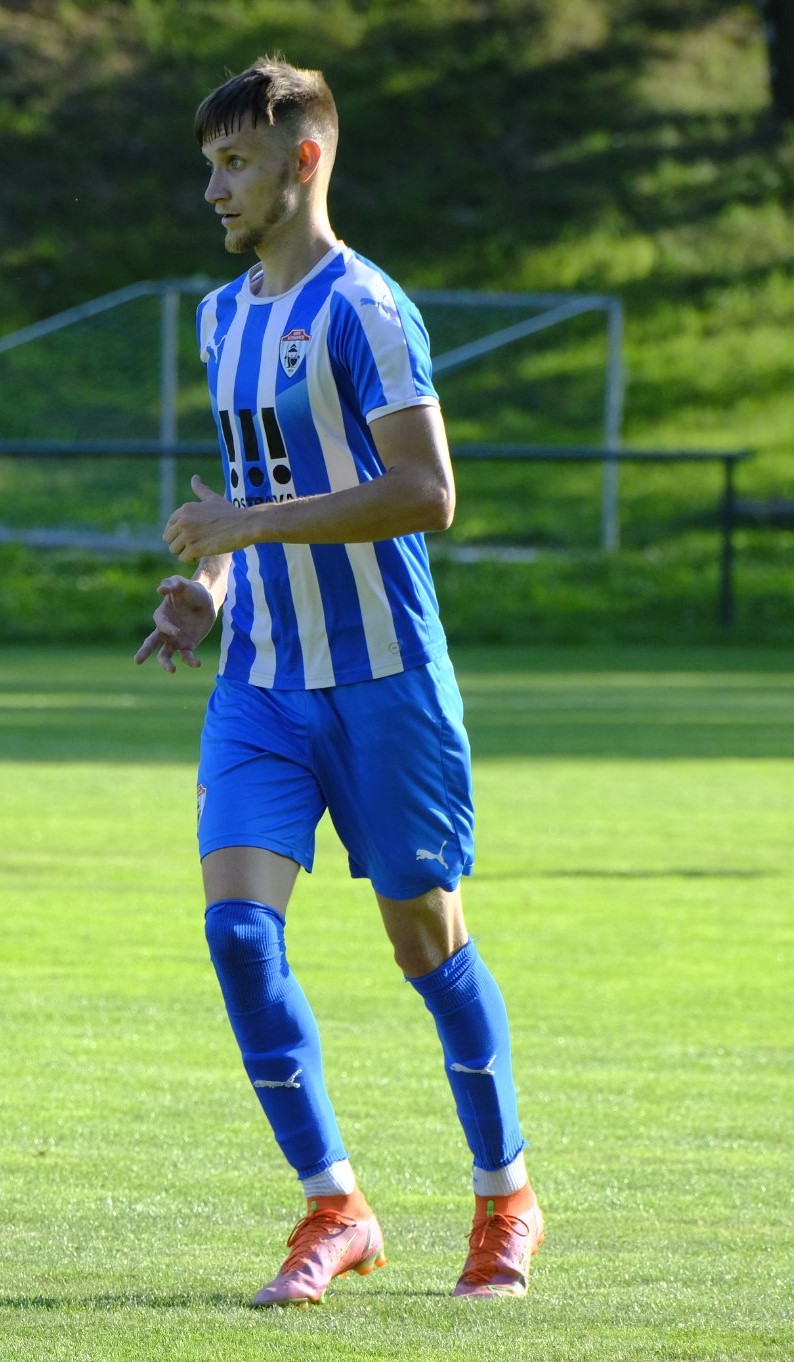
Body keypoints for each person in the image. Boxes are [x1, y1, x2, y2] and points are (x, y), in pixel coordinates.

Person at [134, 58, 541, 1306]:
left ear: (300, 161)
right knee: (239, 936)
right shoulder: (219, 317)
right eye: (209, 164)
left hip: (383, 683)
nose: (213, 188)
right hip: (262, 684)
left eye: (234, 163)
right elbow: (250, 504)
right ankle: (334, 1205)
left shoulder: (367, 310)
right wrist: (208, 590)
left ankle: (503, 1197)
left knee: (426, 946)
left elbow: (428, 494)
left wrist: (245, 536)